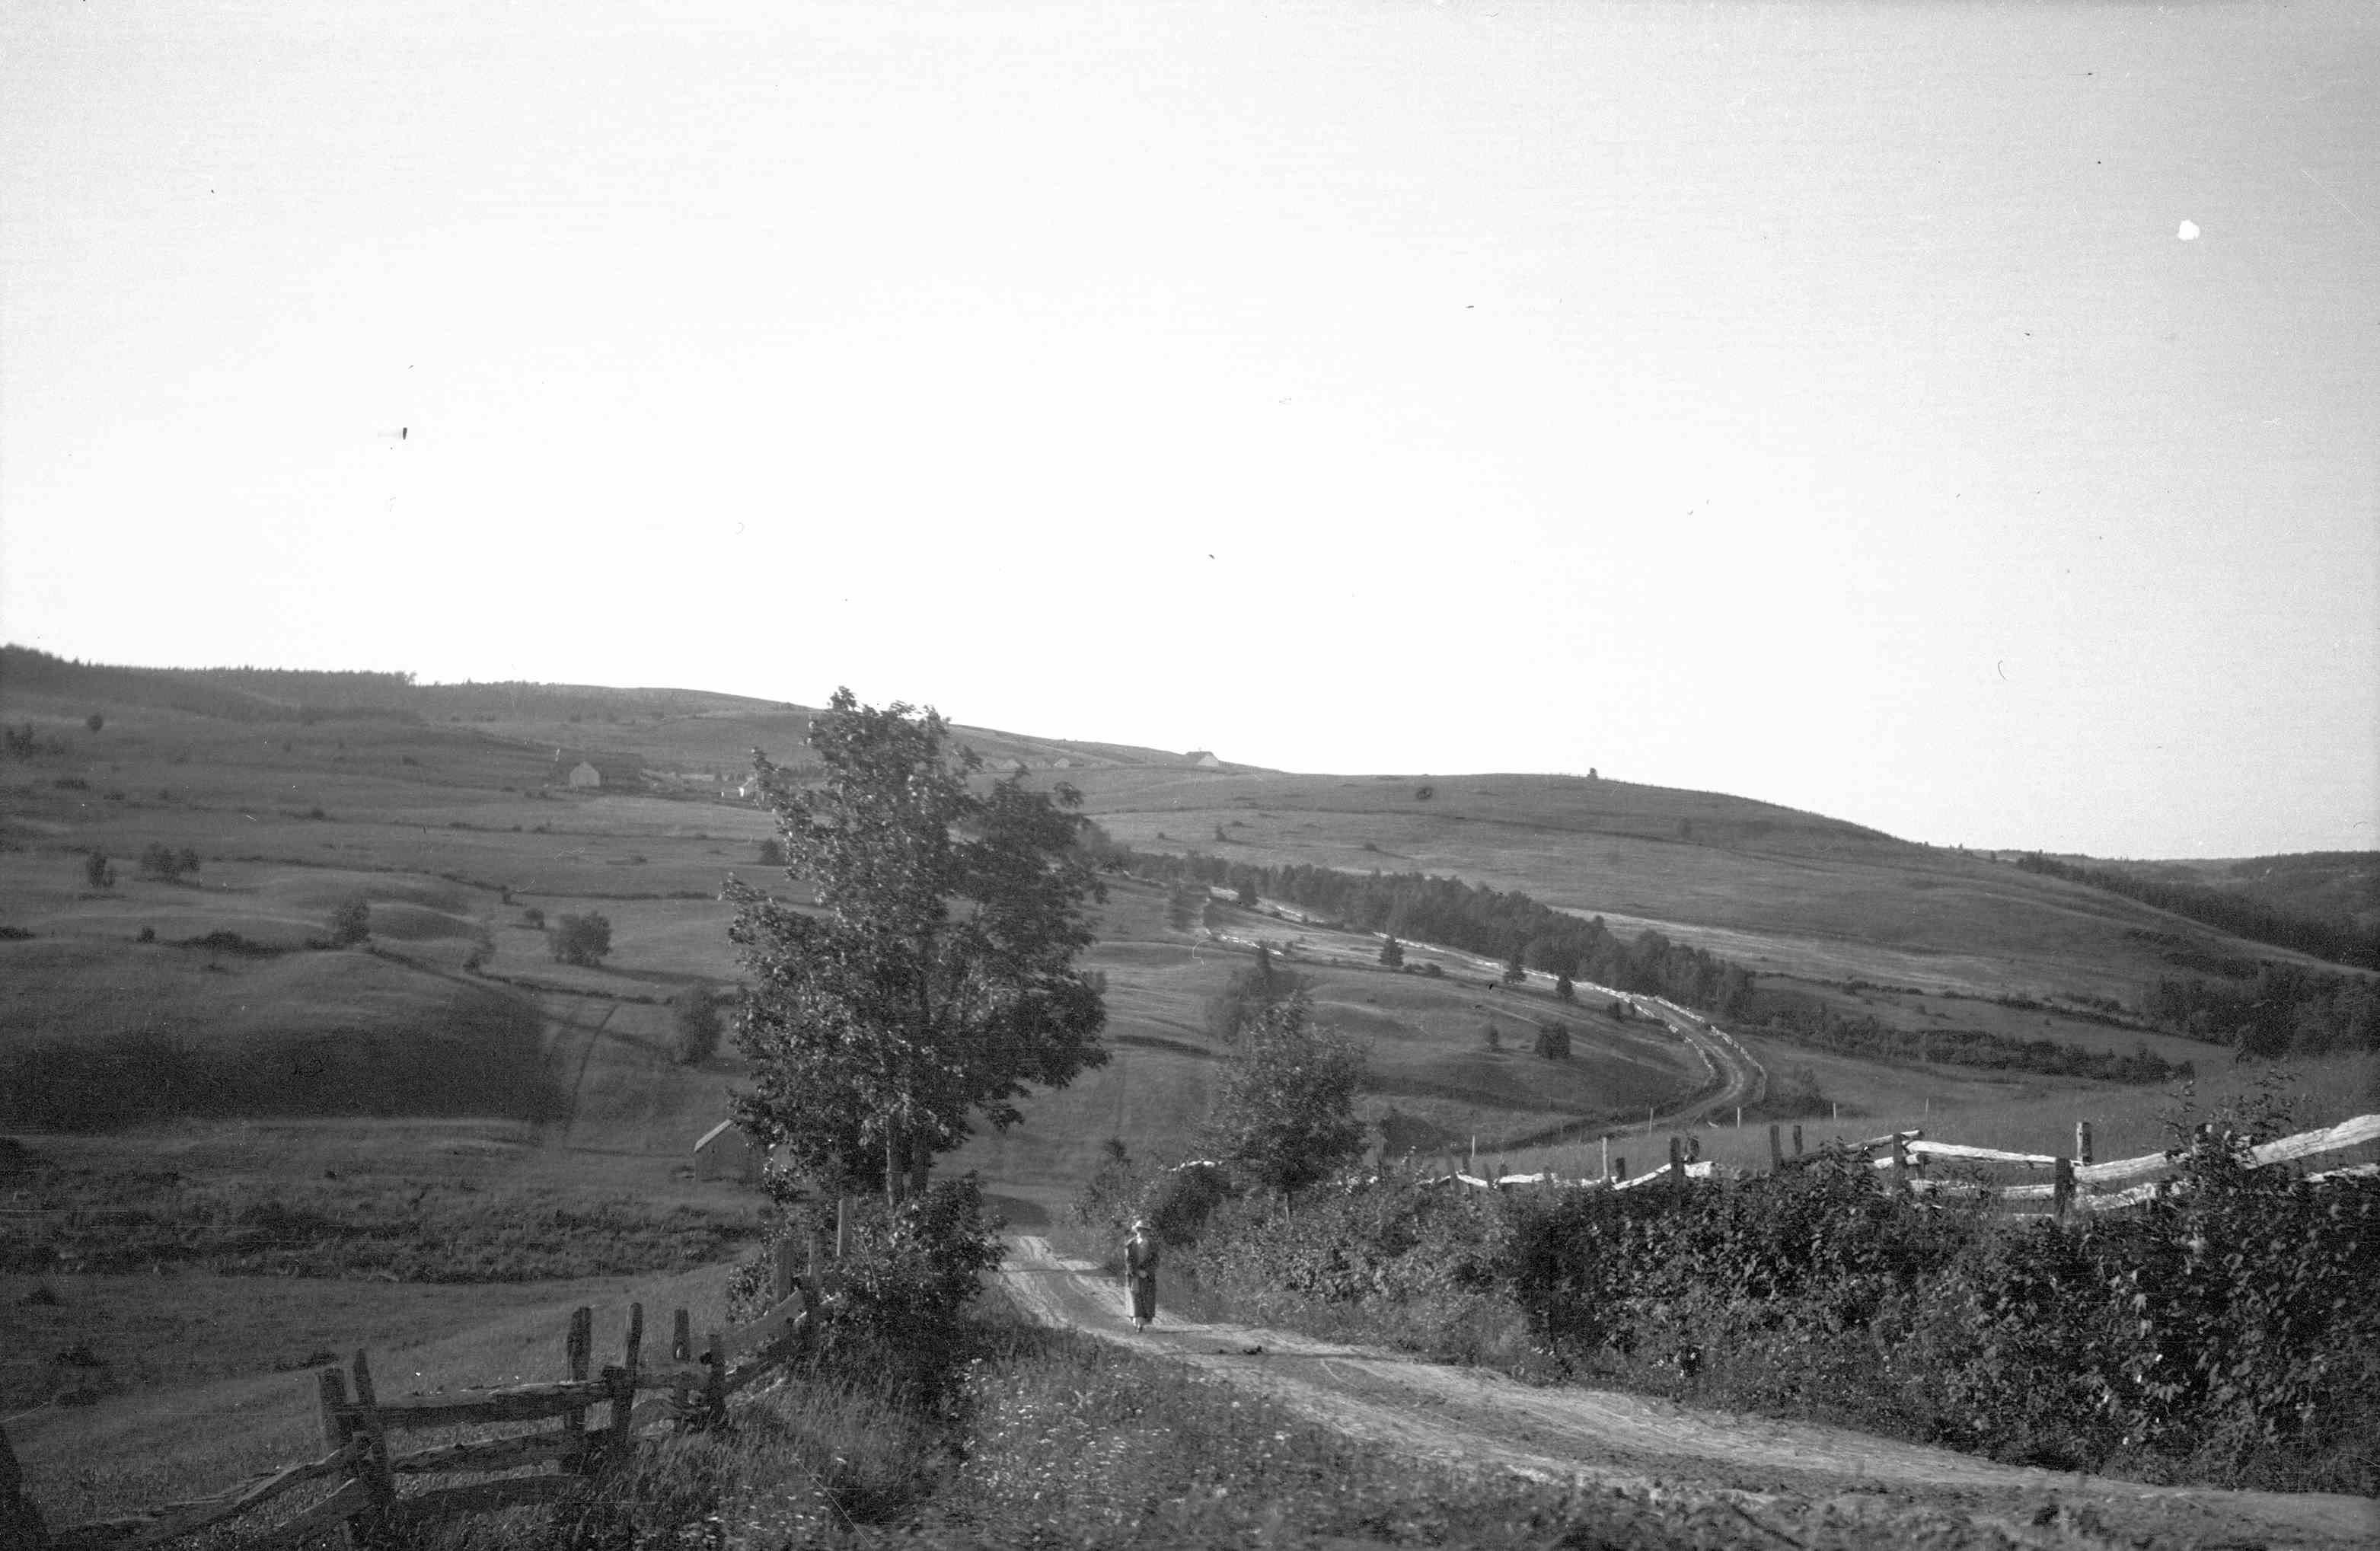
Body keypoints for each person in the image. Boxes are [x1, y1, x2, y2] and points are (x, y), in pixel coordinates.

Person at [1124, 1219, 1160, 1332]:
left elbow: (1156, 1261)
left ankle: (1142, 1322)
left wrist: (1147, 1271)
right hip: (1134, 1276)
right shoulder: (1130, 1244)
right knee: (1135, 1298)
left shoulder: (1153, 1245)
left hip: (1147, 1277)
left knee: (1147, 1299)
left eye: (1145, 1230)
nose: (1143, 1232)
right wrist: (1135, 1272)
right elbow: (1128, 1260)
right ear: (1137, 1230)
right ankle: (1138, 1323)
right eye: (1141, 1230)